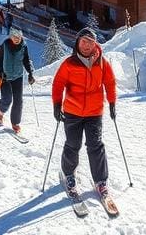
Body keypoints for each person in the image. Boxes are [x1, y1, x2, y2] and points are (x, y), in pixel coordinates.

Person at [52, 28, 117, 199]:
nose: (87, 45)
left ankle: (101, 181)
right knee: (73, 144)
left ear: (95, 44)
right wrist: (57, 104)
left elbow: (109, 82)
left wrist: (112, 102)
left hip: (94, 112)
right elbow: (58, 84)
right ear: (77, 42)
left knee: (95, 145)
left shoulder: (102, 63)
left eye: (90, 42)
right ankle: (69, 174)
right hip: (72, 112)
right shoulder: (69, 63)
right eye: (83, 42)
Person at [0, 27, 35, 133]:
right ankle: (0, 112)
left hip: (18, 76)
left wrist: (30, 73)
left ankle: (15, 123)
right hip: (5, 77)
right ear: (11, 37)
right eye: (15, 37)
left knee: (18, 100)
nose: (17, 39)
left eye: (19, 37)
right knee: (7, 99)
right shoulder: (4, 46)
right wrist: (0, 73)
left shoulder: (23, 46)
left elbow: (26, 60)